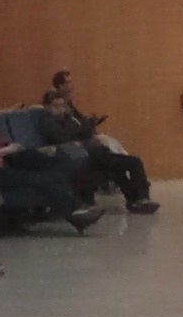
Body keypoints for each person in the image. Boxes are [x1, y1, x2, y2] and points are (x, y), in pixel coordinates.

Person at [0, 105, 100, 233]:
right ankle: (74, 213)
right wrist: (8, 150)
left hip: (11, 165)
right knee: (41, 178)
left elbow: (5, 149)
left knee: (52, 174)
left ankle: (75, 211)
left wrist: (8, 150)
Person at [41, 74, 158, 214]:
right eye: (56, 106)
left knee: (120, 166)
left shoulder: (67, 118)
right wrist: (82, 132)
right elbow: (64, 138)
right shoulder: (49, 122)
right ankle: (139, 199)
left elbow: (80, 128)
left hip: (93, 152)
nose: (60, 109)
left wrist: (88, 126)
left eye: (62, 106)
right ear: (47, 107)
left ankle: (137, 200)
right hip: (86, 155)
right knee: (132, 162)